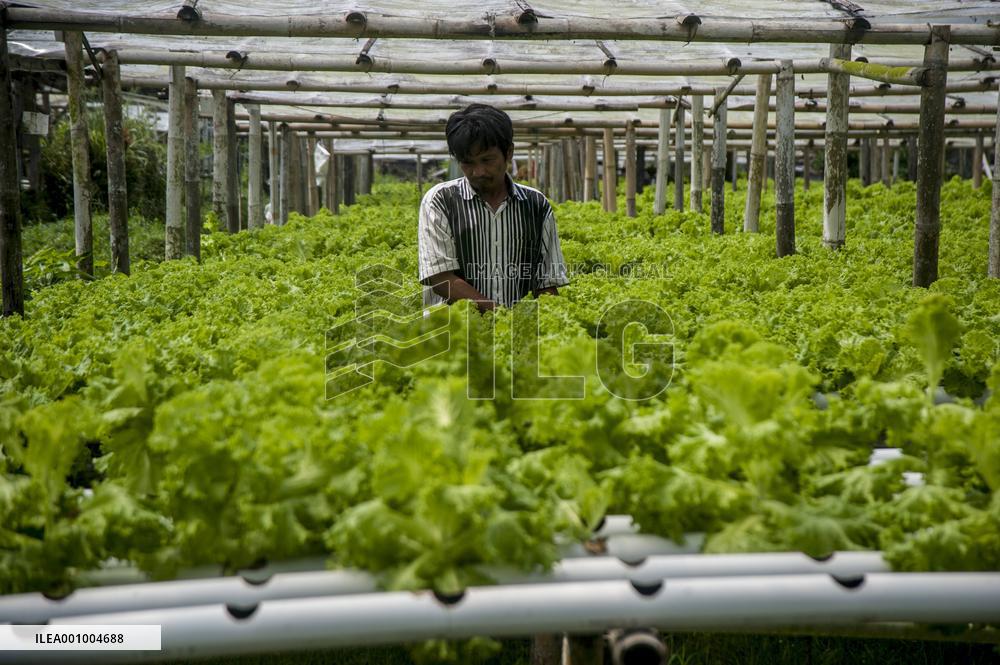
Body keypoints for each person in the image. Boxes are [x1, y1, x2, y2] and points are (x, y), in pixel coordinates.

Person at [418, 104, 568, 312]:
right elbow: (440, 278)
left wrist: (547, 319)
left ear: (509, 153)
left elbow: (547, 281)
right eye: (468, 163)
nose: (478, 171)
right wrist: (500, 315)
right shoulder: (440, 201)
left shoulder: (536, 205)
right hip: (454, 329)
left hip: (516, 329)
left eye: (487, 160)